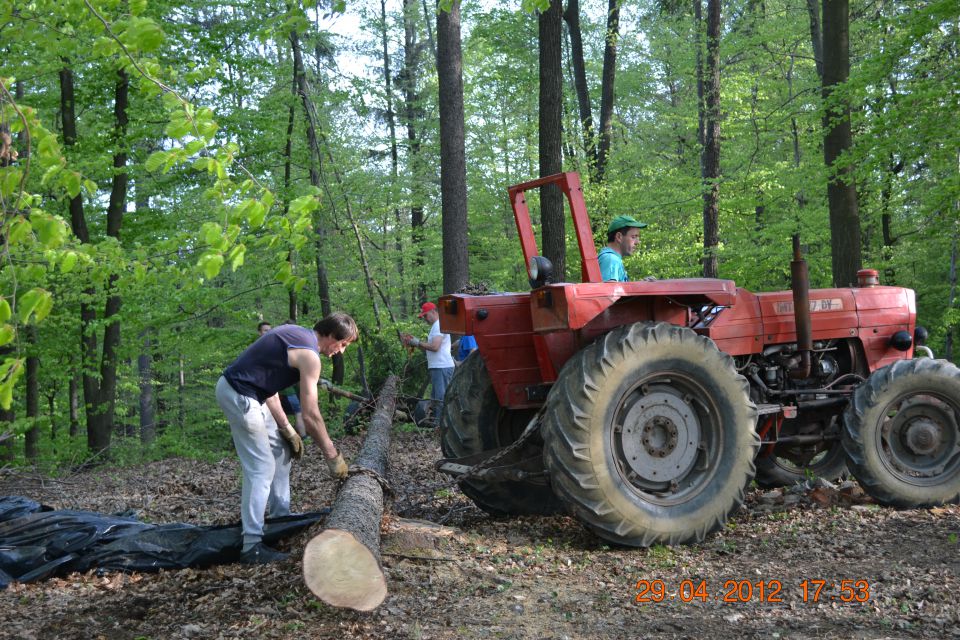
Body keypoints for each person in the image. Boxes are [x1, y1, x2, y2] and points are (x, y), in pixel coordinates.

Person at [217, 312, 358, 564]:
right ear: (332, 335)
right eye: (343, 344)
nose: (342, 351)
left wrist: (287, 429)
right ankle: (252, 546)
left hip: (255, 394)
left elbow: (268, 385)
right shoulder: (310, 355)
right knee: (261, 468)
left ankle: (279, 521)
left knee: (281, 452)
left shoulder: (295, 336)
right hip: (238, 393)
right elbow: (311, 415)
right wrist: (332, 456)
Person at [401, 302, 455, 419]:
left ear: (433, 312)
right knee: (436, 398)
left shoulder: (439, 325)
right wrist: (414, 342)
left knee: (440, 398)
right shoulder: (436, 326)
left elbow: (435, 347)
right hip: (438, 367)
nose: (425, 318)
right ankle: (437, 424)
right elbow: (430, 348)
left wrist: (417, 342)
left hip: (442, 367)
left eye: (425, 315)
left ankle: (441, 426)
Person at [257, 322, 307, 437]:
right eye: (265, 330)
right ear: (259, 332)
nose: (268, 332)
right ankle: (303, 438)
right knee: (295, 414)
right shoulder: (262, 348)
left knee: (287, 416)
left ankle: (299, 438)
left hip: (283, 391)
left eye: (270, 329)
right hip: (277, 392)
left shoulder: (277, 344)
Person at [598, 214, 647, 282]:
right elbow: (610, 291)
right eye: (633, 237)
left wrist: (640, 285)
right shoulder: (611, 260)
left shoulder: (611, 258)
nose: (637, 242)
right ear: (619, 237)